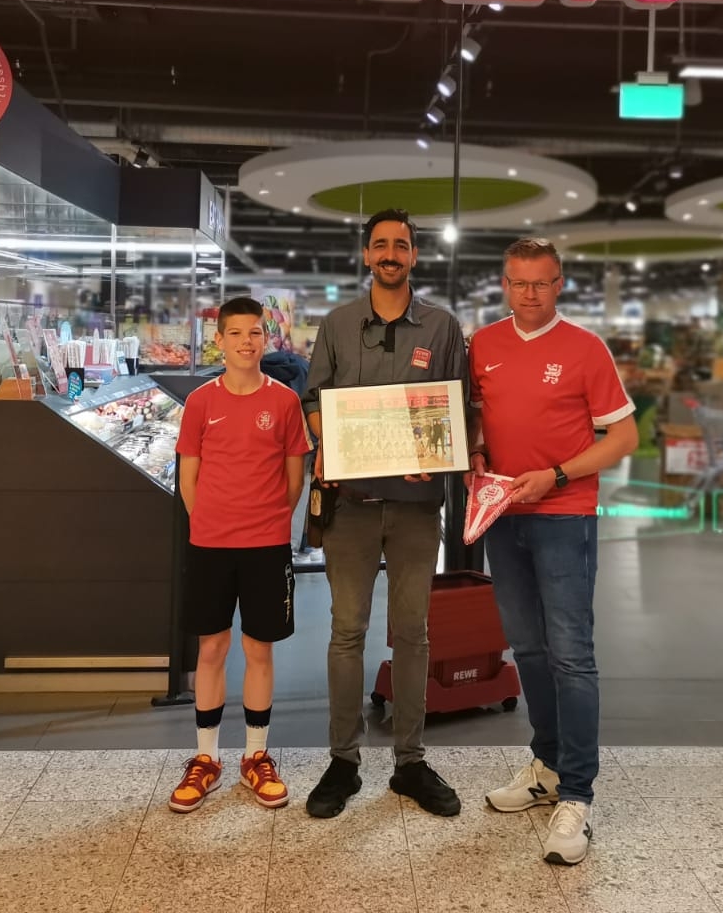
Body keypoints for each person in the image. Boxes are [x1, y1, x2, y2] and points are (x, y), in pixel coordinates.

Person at [469, 238, 639, 865]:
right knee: (528, 647)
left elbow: (624, 436)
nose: (529, 294)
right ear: (505, 284)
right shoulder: (483, 344)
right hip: (502, 515)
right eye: (518, 283)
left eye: (541, 283)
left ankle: (577, 794)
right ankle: (545, 765)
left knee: (571, 654)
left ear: (559, 284)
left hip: (564, 516)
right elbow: (477, 417)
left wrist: (558, 475)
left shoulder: (585, 348)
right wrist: (477, 452)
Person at [302, 208, 467, 820]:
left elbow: (456, 406)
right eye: (381, 245)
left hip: (417, 509)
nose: (391, 254)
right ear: (367, 254)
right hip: (350, 507)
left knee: (413, 633)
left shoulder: (442, 327)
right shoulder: (339, 324)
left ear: (414, 256)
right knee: (347, 631)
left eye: (401, 245)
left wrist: (441, 451)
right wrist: (329, 443)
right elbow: (314, 399)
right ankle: (343, 761)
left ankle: (410, 762)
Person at [170, 296, 311, 813]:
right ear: (220, 341)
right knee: (211, 648)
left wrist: (268, 521)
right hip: (210, 544)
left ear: (265, 339)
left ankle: (256, 755)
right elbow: (189, 475)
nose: (246, 342)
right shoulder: (200, 402)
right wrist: (210, 522)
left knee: (259, 649)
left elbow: (294, 479)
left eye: (254, 333)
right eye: (236, 333)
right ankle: (206, 758)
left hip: (266, 545)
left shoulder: (285, 402)